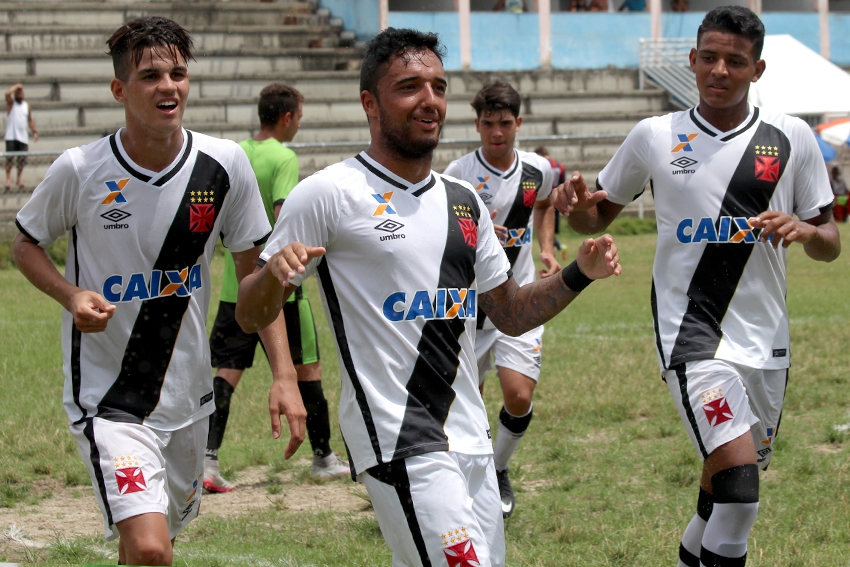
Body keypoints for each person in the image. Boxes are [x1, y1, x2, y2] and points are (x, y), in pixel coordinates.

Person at [235, 27, 621, 567]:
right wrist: (273, 276)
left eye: (438, 86)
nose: (430, 100)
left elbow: (509, 313)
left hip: (469, 433)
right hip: (397, 433)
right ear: (370, 102)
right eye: (410, 86)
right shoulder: (329, 193)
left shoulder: (463, 201)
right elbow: (251, 312)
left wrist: (578, 273)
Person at [12, 17, 306, 566]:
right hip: (111, 398)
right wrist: (70, 294)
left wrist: (284, 376)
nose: (168, 86)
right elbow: (26, 243)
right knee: (151, 549)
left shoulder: (224, 165)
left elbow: (252, 284)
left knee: (153, 544)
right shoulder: (81, 170)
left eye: (177, 73)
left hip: (188, 397)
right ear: (120, 90)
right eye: (150, 75)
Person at [557, 7, 840, 567]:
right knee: (738, 488)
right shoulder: (655, 136)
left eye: (735, 61)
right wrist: (575, 212)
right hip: (692, 335)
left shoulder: (791, 138)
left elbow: (830, 238)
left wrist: (808, 230)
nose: (719, 70)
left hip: (766, 339)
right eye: (709, 57)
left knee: (724, 484)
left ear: (757, 69)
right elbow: (596, 218)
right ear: (691, 60)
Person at [204, 82, 349, 493]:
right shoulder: (283, 156)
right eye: (299, 118)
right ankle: (323, 457)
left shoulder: (241, 152)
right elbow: (286, 221)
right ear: (287, 118)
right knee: (308, 370)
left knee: (226, 372)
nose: (298, 125)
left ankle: (207, 461)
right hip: (278, 284)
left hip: (236, 285)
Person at [443, 81, 560, 518]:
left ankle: (499, 469)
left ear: (518, 124)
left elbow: (545, 205)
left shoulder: (539, 169)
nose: (496, 133)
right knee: (466, 405)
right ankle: (463, 484)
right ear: (477, 124)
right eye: (488, 124)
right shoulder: (458, 174)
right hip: (472, 310)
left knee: (518, 396)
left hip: (520, 299)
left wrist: (546, 247)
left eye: (505, 124)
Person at [534, 145, 567, 254]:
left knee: (544, 225)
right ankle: (555, 247)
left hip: (544, 198)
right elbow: (562, 182)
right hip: (556, 198)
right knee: (552, 225)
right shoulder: (560, 166)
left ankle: (554, 247)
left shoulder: (540, 165)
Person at [5, 83, 37, 191]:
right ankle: (8, 179)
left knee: (21, 161)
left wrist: (34, 132)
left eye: (21, 92)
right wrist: (16, 86)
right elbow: (7, 94)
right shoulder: (11, 104)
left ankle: (19, 179)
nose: (20, 94)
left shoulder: (26, 106)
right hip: (11, 136)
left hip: (22, 137)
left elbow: (30, 120)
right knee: (9, 160)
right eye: (18, 93)